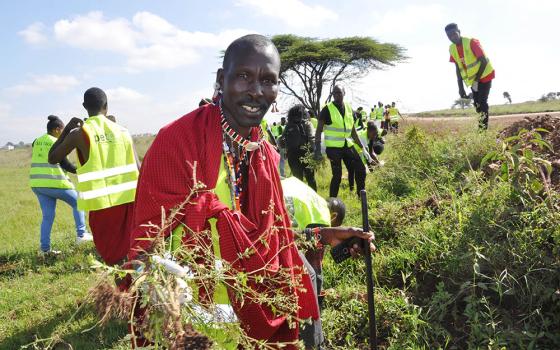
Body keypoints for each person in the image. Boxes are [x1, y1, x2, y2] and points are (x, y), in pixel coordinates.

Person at [128, 34, 374, 349]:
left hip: (260, 311)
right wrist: (172, 311)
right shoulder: (177, 143)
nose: (256, 91)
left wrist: (325, 235)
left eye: (268, 81)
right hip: (196, 319)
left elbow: (275, 241)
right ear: (221, 79)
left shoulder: (265, 154)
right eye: (243, 76)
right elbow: (143, 249)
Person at [48, 87, 139, 265]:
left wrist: (66, 129)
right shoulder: (123, 131)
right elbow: (139, 167)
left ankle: (124, 291)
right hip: (129, 203)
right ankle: (134, 290)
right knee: (133, 254)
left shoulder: (80, 134)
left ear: (84, 106)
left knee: (115, 261)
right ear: (107, 105)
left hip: (101, 207)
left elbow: (53, 158)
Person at [30, 115, 92, 255]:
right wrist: (82, 170)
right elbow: (66, 165)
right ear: (57, 130)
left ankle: (45, 249)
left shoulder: (37, 141)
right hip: (55, 182)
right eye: (63, 130)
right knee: (79, 202)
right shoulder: (56, 143)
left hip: (37, 184)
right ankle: (81, 235)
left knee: (48, 216)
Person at [315, 85, 367, 198]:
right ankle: (332, 201)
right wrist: (317, 150)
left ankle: (361, 195)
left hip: (347, 145)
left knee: (361, 168)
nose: (337, 95)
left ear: (344, 93)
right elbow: (318, 130)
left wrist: (361, 146)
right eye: (334, 93)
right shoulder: (327, 109)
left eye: (339, 92)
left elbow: (352, 130)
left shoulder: (349, 108)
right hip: (333, 149)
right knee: (337, 175)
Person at [445, 23, 495, 130]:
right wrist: (461, 88)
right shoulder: (452, 48)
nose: (452, 37)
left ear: (459, 31)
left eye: (454, 34)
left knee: (482, 102)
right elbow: (458, 68)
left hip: (485, 75)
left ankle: (482, 131)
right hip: (473, 80)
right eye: (449, 36)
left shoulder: (471, 42)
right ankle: (482, 126)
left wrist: (477, 80)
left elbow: (483, 61)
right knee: (477, 105)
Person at [279, 104, 317, 190]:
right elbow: (312, 139)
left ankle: (300, 200)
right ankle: (314, 198)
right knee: (310, 178)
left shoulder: (288, 125)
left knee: (297, 180)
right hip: (306, 154)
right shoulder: (307, 123)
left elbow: (282, 141)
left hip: (292, 155)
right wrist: (314, 152)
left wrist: (286, 150)